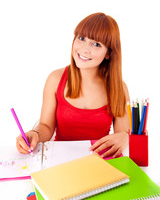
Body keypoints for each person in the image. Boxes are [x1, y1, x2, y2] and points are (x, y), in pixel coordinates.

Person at [16, 12, 130, 158]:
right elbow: (46, 127)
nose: (84, 49)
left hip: (100, 163)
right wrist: (34, 134)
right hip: (60, 161)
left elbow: (123, 134)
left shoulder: (118, 88)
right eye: (81, 38)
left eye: (96, 44)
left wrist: (125, 138)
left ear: (108, 53)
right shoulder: (55, 79)